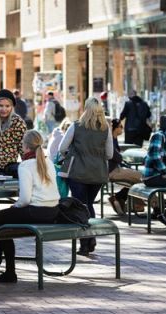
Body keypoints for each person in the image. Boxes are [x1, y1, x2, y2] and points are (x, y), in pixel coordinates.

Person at [0, 130, 60, 283]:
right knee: (4, 218)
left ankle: (3, 264)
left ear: (26, 148)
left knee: (0, 217)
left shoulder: (25, 165)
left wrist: (16, 206)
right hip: (53, 211)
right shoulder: (48, 162)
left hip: (36, 211)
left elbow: (25, 199)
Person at [59, 97, 113, 256]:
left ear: (86, 109)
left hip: (77, 172)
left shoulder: (76, 126)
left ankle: (85, 243)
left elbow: (62, 148)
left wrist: (71, 153)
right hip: (98, 173)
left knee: (80, 206)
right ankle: (91, 237)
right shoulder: (106, 129)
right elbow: (109, 154)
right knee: (89, 205)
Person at [143, 114, 166, 227]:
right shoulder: (159, 136)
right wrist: (165, 172)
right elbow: (155, 156)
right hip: (152, 177)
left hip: (158, 175)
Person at [108, 119, 144, 215]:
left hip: (116, 168)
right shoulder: (110, 140)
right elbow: (117, 157)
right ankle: (141, 204)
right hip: (112, 171)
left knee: (136, 179)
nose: (122, 129)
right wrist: (121, 157)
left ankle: (120, 197)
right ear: (114, 128)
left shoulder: (114, 139)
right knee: (140, 176)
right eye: (121, 126)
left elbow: (118, 158)